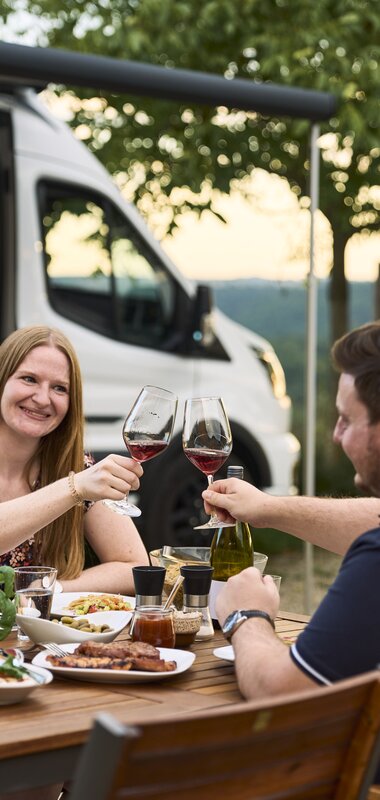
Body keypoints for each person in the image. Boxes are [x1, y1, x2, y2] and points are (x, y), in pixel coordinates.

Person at [203, 321, 380, 557]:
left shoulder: (367, 566)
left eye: (346, 420)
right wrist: (265, 507)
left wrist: (251, 596)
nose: (336, 435)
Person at [0, 325, 149, 595]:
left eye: (59, 388)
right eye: (29, 379)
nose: (42, 398)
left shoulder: (76, 466)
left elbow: (134, 566)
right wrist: (73, 489)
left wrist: (52, 588)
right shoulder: (79, 481)